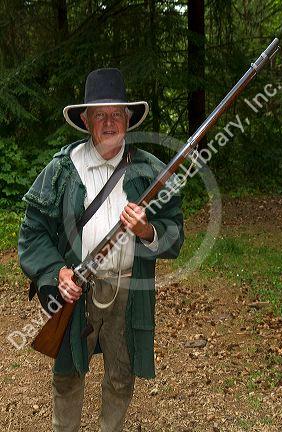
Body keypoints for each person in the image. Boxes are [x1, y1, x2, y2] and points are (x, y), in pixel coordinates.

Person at [18, 68, 184, 432]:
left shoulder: (151, 170)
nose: (109, 122)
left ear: (128, 119)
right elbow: (32, 233)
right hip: (76, 291)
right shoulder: (61, 170)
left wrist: (147, 231)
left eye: (116, 114)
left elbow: (174, 234)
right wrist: (56, 272)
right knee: (67, 376)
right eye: (100, 115)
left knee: (122, 376)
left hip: (129, 291)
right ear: (85, 120)